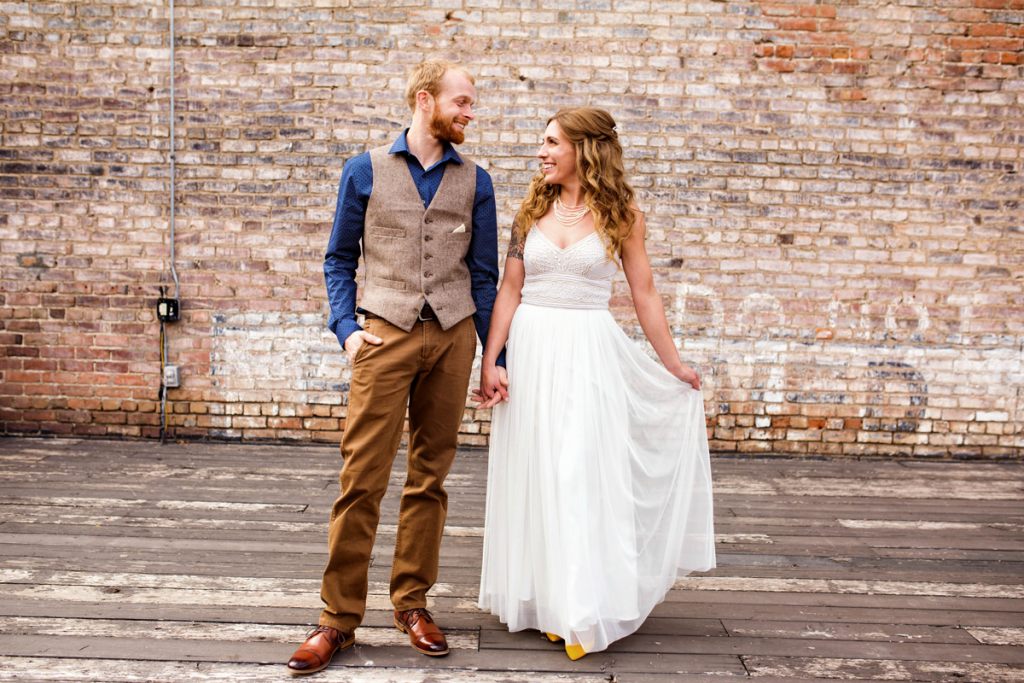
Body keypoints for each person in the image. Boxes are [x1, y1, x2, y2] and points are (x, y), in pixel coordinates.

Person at [286, 59, 503, 675]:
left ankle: (412, 602)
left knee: (429, 479)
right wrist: (347, 331)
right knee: (363, 478)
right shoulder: (364, 170)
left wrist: (493, 356)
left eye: (471, 104)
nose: (469, 113)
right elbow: (337, 260)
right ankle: (336, 620)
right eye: (461, 102)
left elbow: (482, 277)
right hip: (383, 337)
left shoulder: (477, 181)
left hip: (454, 338)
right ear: (425, 100)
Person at [474, 107, 716, 660]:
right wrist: (491, 361)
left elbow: (645, 294)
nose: (541, 151)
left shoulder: (623, 216)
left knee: (579, 472)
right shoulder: (529, 212)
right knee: (538, 471)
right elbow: (508, 291)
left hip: (588, 353)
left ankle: (583, 608)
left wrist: (674, 364)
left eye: (551, 142)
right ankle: (547, 602)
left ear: (585, 150)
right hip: (532, 351)